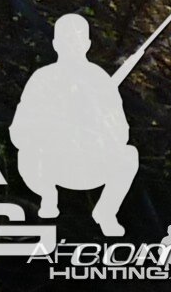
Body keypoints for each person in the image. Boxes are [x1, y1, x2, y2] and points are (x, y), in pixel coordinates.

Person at [13, 15, 141, 236]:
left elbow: (122, 134)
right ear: (56, 45)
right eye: (66, 41)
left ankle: (106, 212)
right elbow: (19, 131)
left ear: (87, 45)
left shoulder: (99, 80)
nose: (72, 46)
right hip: (50, 166)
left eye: (77, 41)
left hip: (88, 164)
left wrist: (98, 124)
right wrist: (51, 129)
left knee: (129, 155)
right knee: (27, 153)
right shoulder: (43, 78)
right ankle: (47, 197)